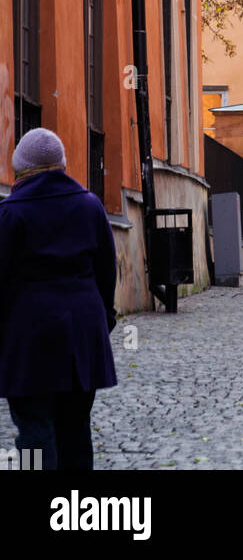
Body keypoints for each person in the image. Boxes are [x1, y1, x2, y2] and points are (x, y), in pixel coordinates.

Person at [0, 128, 118, 470]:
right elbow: (106, 272)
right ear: (62, 165)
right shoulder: (90, 206)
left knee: (34, 430)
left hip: (27, 337)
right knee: (75, 427)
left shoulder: (9, 214)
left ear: (21, 169)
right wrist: (103, 320)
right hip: (82, 335)